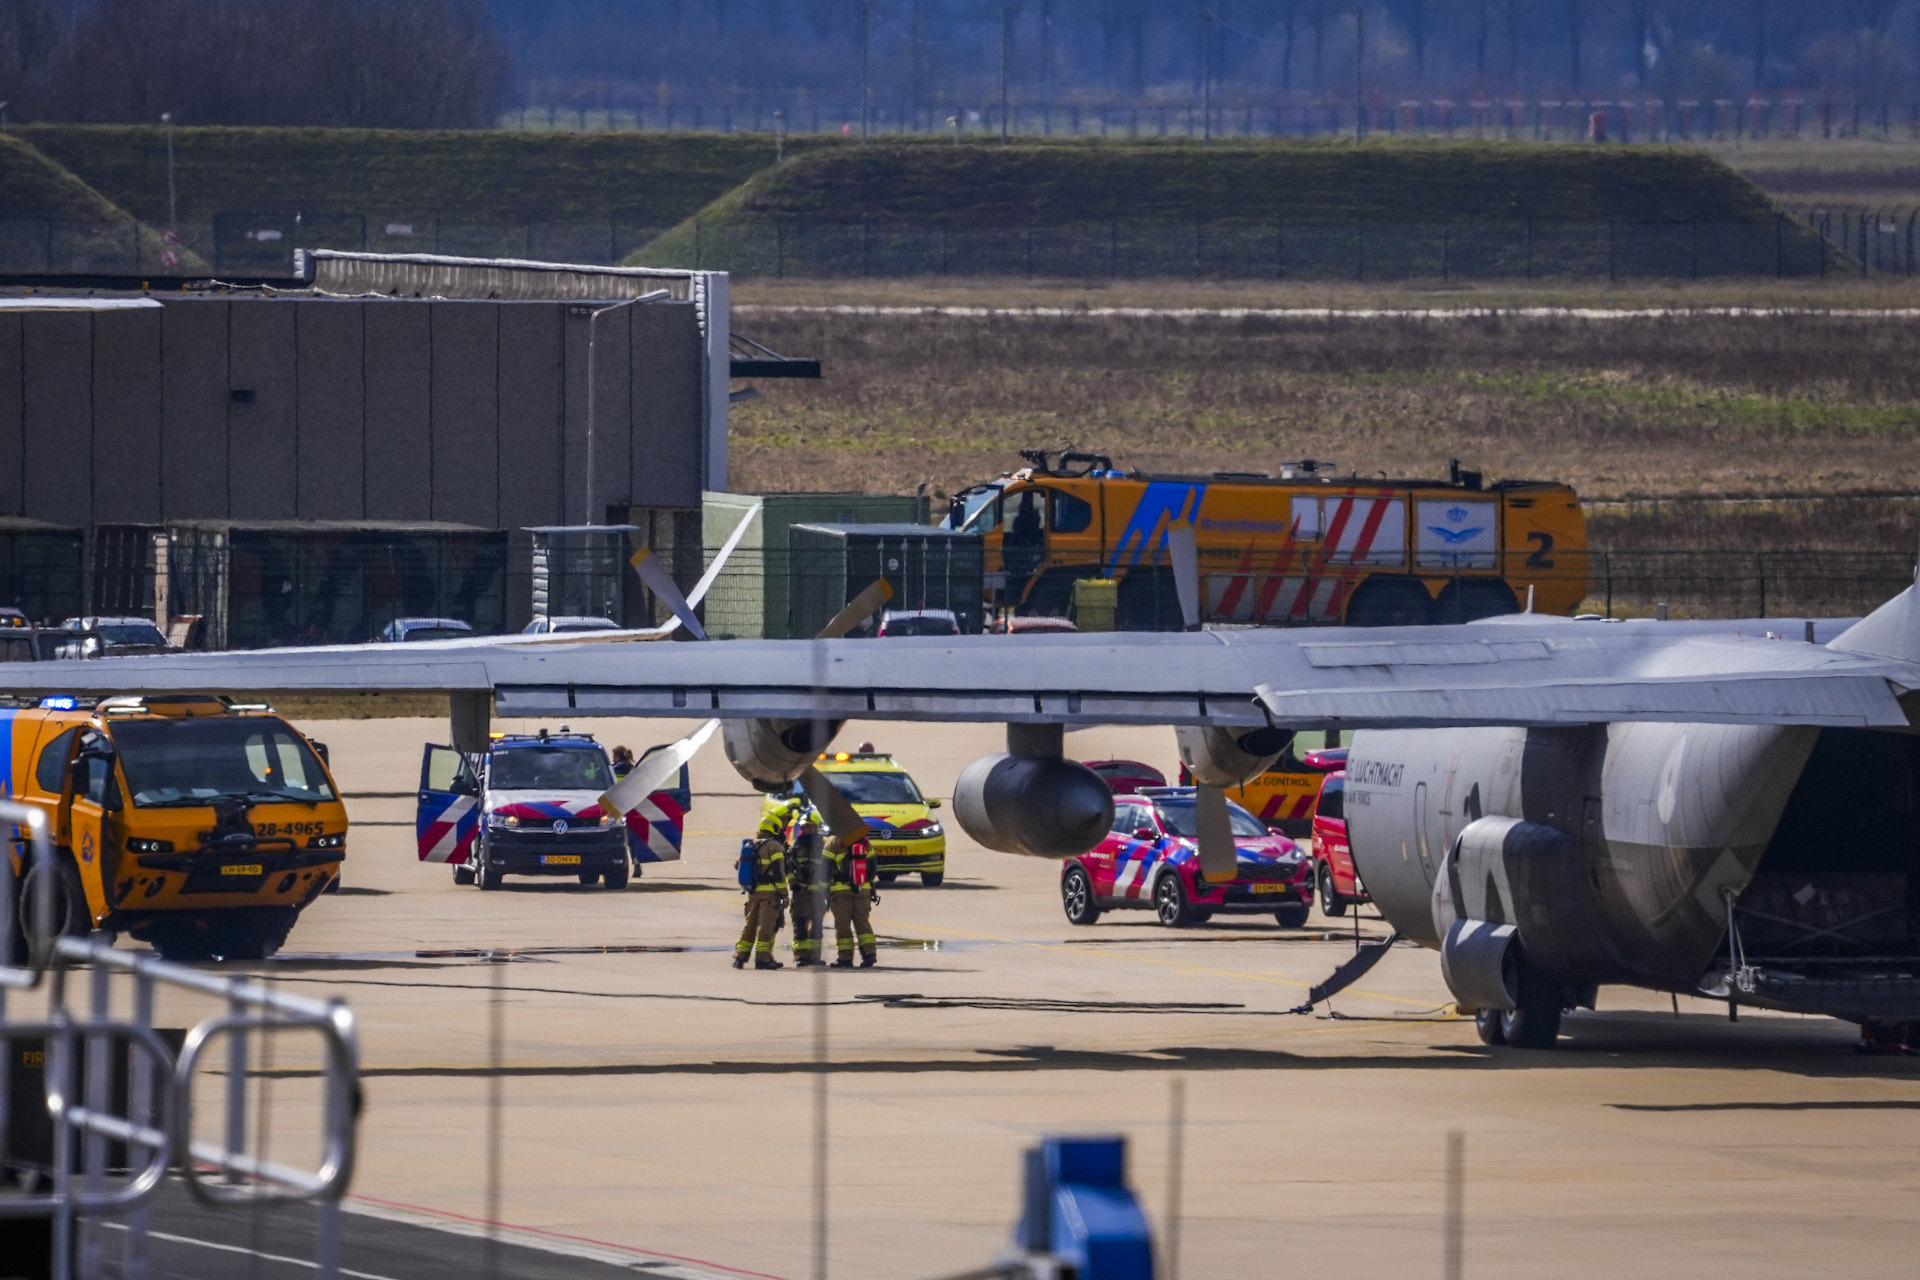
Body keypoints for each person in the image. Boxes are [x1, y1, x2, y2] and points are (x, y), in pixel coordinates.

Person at [734, 814, 788, 970]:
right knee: (766, 927)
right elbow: (779, 873)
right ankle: (762, 959)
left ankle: (740, 957)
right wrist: (784, 894)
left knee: (750, 925)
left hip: (753, 893)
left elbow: (738, 865)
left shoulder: (750, 844)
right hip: (769, 895)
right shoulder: (774, 846)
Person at [826, 835, 879, 968]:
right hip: (862, 890)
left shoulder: (833, 841)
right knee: (862, 922)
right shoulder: (864, 840)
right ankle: (869, 953)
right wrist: (868, 884)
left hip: (840, 892)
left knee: (843, 925)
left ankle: (845, 958)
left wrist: (824, 890)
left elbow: (826, 868)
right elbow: (873, 865)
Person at [786, 818, 829, 967]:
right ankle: (801, 956)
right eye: (805, 828)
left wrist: (825, 889)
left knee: (817, 926)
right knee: (800, 925)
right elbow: (789, 868)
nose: (807, 830)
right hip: (801, 893)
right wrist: (795, 886)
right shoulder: (797, 846)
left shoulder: (823, 846)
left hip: (817, 894)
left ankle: (815, 956)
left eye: (810, 828)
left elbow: (828, 869)